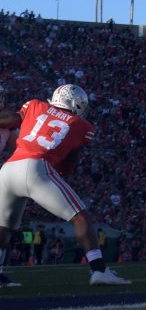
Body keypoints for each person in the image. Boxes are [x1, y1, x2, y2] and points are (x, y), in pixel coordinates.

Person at [0, 84, 130, 286]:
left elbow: (12, 120)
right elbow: (70, 162)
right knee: (80, 217)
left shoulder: (35, 104)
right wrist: (55, 175)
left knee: (3, 228)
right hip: (37, 166)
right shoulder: (83, 125)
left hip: (8, 169)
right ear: (75, 104)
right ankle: (99, 270)